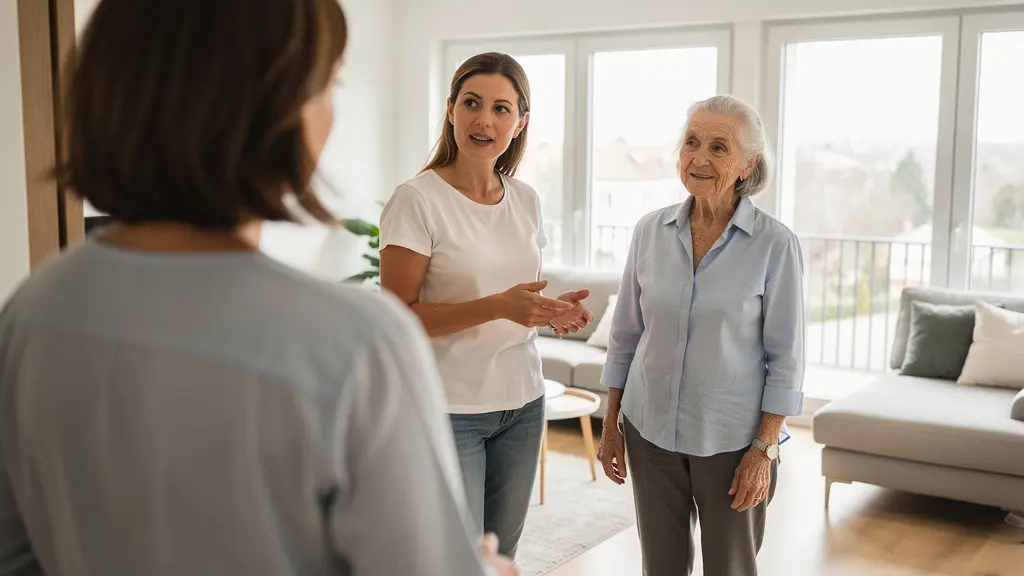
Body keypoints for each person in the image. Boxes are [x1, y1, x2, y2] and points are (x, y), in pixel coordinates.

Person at [0, 1, 516, 574]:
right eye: (329, 84)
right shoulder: (353, 345)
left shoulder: (34, 309)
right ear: (273, 106)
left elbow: (17, 555)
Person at [378, 52, 593, 559]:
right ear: (451, 109)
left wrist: (553, 310)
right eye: (471, 103)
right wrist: (498, 306)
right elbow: (397, 317)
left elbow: (521, 295)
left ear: (520, 124)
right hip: (451, 408)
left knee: (503, 555)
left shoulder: (526, 199)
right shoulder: (417, 200)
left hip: (523, 401)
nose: (484, 119)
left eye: (501, 109)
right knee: (461, 558)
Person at [596, 94, 806, 576]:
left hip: (734, 442)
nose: (700, 158)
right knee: (660, 566)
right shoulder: (649, 231)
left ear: (748, 164)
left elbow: (787, 359)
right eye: (691, 142)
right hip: (650, 432)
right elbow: (625, 336)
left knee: (730, 568)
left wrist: (763, 450)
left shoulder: (775, 245)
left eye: (718, 146)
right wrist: (611, 423)